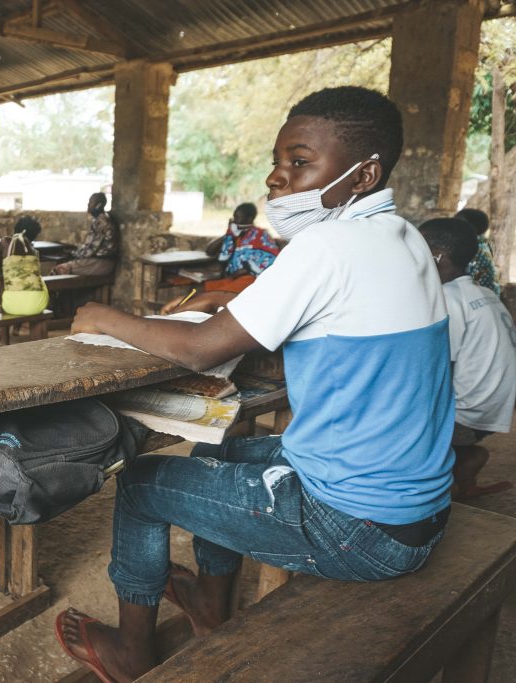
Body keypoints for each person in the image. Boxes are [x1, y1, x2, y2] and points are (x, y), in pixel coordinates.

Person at [57, 86, 454, 681]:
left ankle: (130, 652)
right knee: (222, 448)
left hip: (357, 528)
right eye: (277, 161)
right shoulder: (405, 239)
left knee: (140, 484)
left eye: (300, 161)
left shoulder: (327, 246)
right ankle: (212, 607)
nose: (276, 178)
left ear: (364, 173)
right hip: (415, 507)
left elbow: (197, 348)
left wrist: (103, 316)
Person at [420, 217, 515, 500]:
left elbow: (438, 368)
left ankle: (435, 486)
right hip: (492, 407)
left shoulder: (446, 298)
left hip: (466, 413)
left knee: (396, 424)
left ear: (436, 256)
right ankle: (466, 461)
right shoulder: (483, 293)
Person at [202, 202, 280, 294]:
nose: (234, 220)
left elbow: (273, 259)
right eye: (234, 217)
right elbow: (209, 251)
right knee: (202, 290)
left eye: (238, 217)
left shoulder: (261, 235)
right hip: (232, 278)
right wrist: (229, 233)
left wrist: (246, 270)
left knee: (211, 296)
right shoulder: (233, 235)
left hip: (250, 279)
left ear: (249, 218)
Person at [52, 192, 118, 276]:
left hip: (101, 263)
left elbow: (90, 250)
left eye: (91, 202)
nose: (88, 205)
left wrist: (72, 253)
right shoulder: (102, 219)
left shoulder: (101, 222)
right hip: (100, 262)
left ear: (98, 205)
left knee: (58, 270)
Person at [455, 208, 502, 295]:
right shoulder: (481, 244)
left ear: (471, 227)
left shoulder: (474, 248)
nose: (453, 225)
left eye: (458, 223)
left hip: (482, 299)